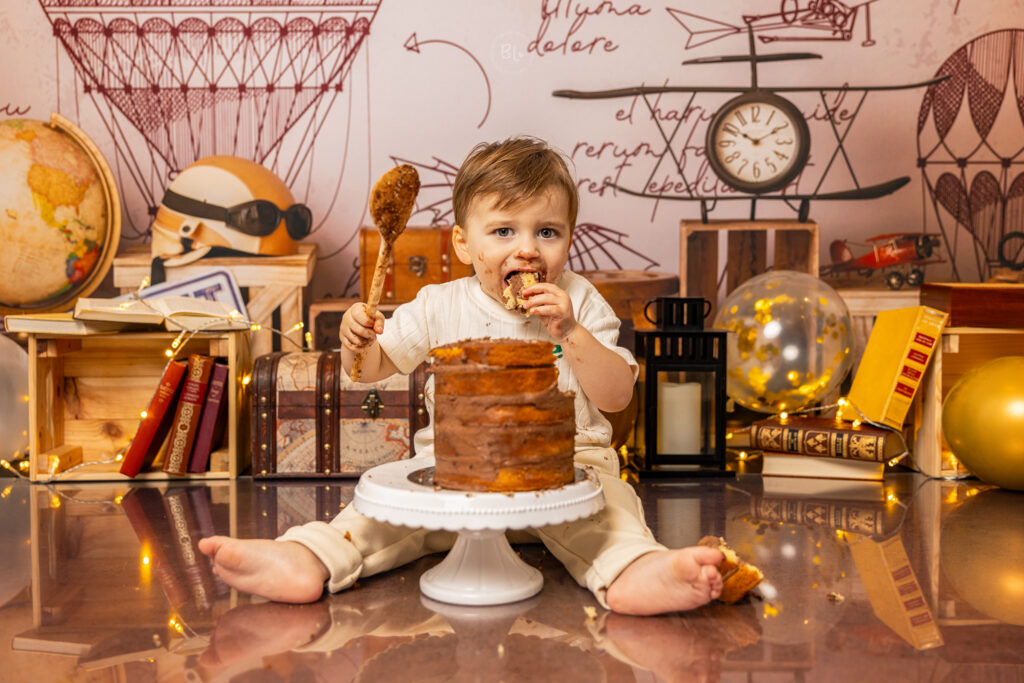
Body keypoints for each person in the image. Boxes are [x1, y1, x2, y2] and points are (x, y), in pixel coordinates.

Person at [199, 136, 725, 615]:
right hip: (450, 475)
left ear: (568, 240)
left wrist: (571, 332)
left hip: (568, 471)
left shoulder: (580, 300)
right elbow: (367, 371)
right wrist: (355, 343)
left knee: (612, 512)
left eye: (547, 231)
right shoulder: (438, 304)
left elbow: (614, 397)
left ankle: (635, 570)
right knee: (375, 515)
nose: (526, 249)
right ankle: (307, 557)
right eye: (503, 231)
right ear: (463, 245)